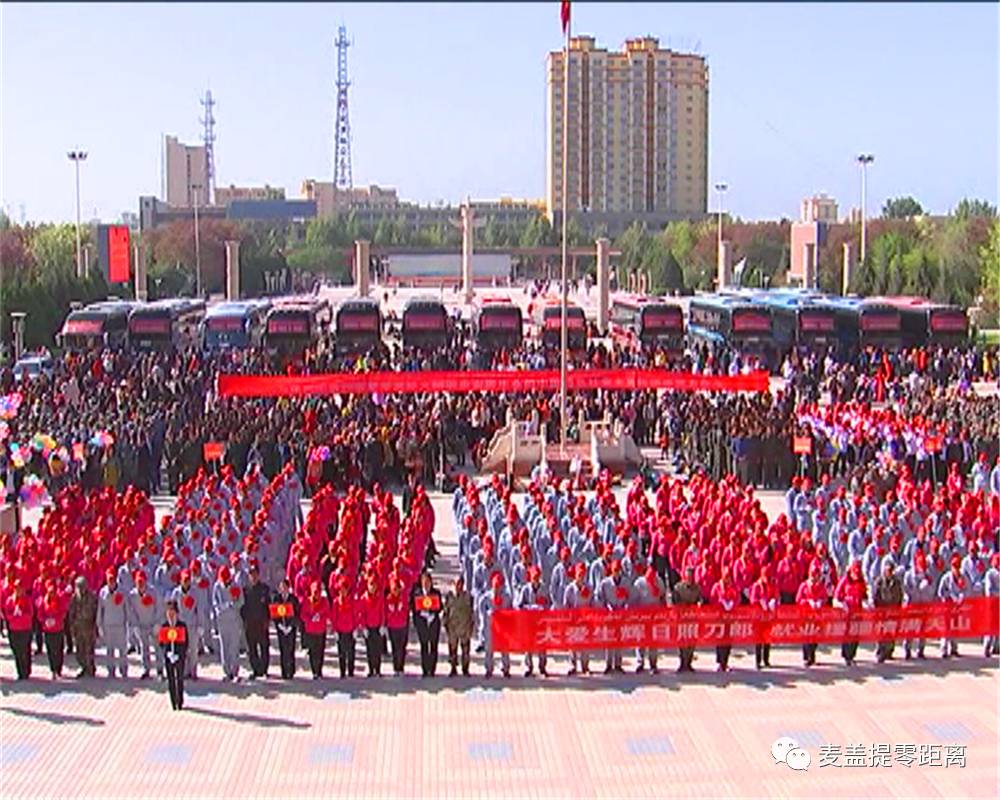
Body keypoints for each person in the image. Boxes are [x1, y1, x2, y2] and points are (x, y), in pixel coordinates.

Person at [515, 567, 550, 677]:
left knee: (542, 646)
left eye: (537, 578)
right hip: (529, 622)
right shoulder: (525, 589)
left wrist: (543, 608)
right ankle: (528, 667)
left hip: (541, 622)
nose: (535, 580)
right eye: (533, 578)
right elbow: (519, 605)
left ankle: (542, 667)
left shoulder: (544, 589)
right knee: (528, 646)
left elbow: (549, 603)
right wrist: (530, 608)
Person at [213, 565, 244, 681]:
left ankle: (235, 671)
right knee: (224, 646)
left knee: (234, 647)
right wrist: (224, 607)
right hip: (222, 621)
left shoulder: (236, 586)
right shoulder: (217, 587)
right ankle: (227, 672)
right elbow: (215, 603)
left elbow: (241, 601)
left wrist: (234, 604)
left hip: (234, 620)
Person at [127, 572, 160, 680]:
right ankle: (146, 669)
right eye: (138, 582)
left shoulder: (153, 592)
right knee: (144, 648)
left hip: (152, 624)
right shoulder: (132, 595)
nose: (140, 584)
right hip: (141, 625)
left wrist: (157, 623)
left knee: (157, 648)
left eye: (142, 581)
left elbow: (159, 607)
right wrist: (135, 625)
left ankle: (160, 669)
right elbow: (130, 611)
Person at [834, 561, 867, 666]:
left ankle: (852, 655)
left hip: (857, 612)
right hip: (847, 613)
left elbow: (864, 595)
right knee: (847, 634)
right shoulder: (844, 581)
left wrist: (866, 603)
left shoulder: (861, 581)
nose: (856, 576)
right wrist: (842, 604)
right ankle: (846, 655)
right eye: (854, 573)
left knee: (855, 635)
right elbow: (837, 596)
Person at [97, 568, 129, 679]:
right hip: (108, 624)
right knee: (109, 649)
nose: (111, 582)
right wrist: (99, 625)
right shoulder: (103, 592)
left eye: (113, 579)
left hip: (120, 624)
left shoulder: (123, 591)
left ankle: (123, 669)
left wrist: (129, 624)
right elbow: (100, 609)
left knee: (122, 649)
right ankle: (111, 670)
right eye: (109, 580)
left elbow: (127, 609)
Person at [479, 572, 511, 678]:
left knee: (504, 649)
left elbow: (510, 610)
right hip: (491, 626)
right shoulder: (487, 597)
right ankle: (489, 669)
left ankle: (505, 668)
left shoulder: (506, 597)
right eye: (495, 586)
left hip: (503, 627)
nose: (497, 589)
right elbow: (481, 609)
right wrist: (486, 616)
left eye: (498, 586)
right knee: (489, 649)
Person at [871, 556, 903, 663]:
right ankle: (880, 652)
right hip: (882, 610)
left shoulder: (897, 582)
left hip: (893, 610)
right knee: (881, 633)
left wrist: (898, 608)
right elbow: (875, 595)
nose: (889, 572)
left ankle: (889, 652)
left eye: (891, 570)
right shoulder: (879, 581)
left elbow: (899, 595)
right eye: (887, 570)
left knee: (891, 632)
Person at [562, 563, 592, 675]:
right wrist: (571, 615)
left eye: (583, 575)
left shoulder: (589, 588)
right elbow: (566, 605)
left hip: (585, 620)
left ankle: (585, 666)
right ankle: (572, 666)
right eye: (579, 575)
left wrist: (589, 613)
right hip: (573, 620)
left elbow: (592, 603)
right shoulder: (569, 588)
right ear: (575, 575)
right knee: (573, 645)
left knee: (585, 645)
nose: (581, 577)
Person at [241, 566, 271, 679]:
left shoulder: (264, 589)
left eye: (255, 574)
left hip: (262, 623)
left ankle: (264, 669)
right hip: (250, 624)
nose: (253, 577)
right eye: (251, 574)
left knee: (264, 647)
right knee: (252, 648)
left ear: (258, 575)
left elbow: (269, 606)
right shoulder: (245, 590)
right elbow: (243, 607)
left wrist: (268, 620)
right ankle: (256, 669)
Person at [411, 570, 442, 678]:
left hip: (433, 623)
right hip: (422, 623)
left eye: (428, 581)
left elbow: (440, 607)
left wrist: (433, 614)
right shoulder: (417, 593)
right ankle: (425, 669)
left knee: (433, 646)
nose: (426, 584)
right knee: (424, 646)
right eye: (424, 581)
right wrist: (422, 614)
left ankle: (432, 669)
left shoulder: (436, 593)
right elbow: (413, 608)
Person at [796, 562, 827, 666]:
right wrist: (808, 602)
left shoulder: (821, 586)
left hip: (817, 616)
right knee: (806, 637)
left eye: (817, 576)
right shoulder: (804, 586)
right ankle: (807, 657)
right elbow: (798, 599)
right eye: (814, 576)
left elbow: (825, 597)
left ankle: (812, 656)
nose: (815, 578)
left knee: (815, 637)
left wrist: (820, 602)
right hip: (806, 615)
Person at [36, 580, 69, 679]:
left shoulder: (60, 600)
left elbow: (63, 612)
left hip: (58, 628)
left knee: (58, 649)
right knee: (50, 650)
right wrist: (45, 620)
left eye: (53, 592)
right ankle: (53, 669)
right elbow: (40, 614)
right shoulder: (43, 601)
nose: (52, 594)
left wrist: (56, 620)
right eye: (50, 592)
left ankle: (58, 669)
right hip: (48, 630)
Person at [672, 565, 702, 673]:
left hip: (693, 619)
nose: (690, 578)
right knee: (682, 642)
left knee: (691, 642)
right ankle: (682, 663)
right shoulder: (678, 587)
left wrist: (699, 604)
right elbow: (674, 602)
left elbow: (700, 599)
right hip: (682, 618)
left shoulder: (697, 588)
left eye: (691, 576)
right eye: (688, 575)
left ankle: (689, 663)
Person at [159, 600, 188, 711]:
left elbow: (186, 643)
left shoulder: (182, 626)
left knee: (179, 679)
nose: (170, 614)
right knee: (171, 679)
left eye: (172, 611)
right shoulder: (164, 626)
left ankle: (180, 701)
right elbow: (161, 643)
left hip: (179, 657)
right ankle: (173, 702)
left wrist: (180, 654)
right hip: (168, 657)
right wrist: (167, 654)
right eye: (168, 611)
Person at [442, 576, 474, 677]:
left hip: (464, 626)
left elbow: (471, 612)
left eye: (460, 584)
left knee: (465, 649)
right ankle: (453, 668)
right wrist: (445, 624)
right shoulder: (450, 596)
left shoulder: (468, 596)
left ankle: (465, 669)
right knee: (452, 649)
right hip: (453, 626)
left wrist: (471, 626)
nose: (458, 586)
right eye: (456, 584)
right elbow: (446, 611)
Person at [67, 575, 98, 678]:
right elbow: (71, 613)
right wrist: (71, 627)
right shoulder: (74, 598)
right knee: (80, 649)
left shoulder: (92, 597)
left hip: (89, 626)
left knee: (89, 649)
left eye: (82, 586)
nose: (80, 589)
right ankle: (83, 667)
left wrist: (96, 627)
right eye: (78, 586)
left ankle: (91, 668)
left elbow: (96, 612)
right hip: (78, 627)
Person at [710, 566, 739, 672]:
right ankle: (719, 662)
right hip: (719, 617)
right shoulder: (717, 587)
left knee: (728, 641)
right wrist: (721, 603)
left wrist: (732, 604)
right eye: (726, 577)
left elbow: (737, 598)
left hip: (729, 618)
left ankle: (725, 662)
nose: (728, 579)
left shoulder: (733, 587)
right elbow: (712, 599)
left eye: (729, 577)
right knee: (719, 640)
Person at [749, 565, 778, 670]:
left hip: (768, 616)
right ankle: (758, 661)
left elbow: (776, 596)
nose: (767, 579)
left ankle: (766, 659)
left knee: (767, 638)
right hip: (758, 616)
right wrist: (760, 602)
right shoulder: (757, 586)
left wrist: (773, 601)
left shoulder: (772, 584)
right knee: (758, 639)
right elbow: (752, 599)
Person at [4, 579, 34, 680]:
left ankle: (26, 671)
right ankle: (20, 671)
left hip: (25, 628)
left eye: (20, 588)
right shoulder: (10, 600)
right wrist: (14, 616)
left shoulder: (27, 600)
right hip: (14, 629)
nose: (19, 591)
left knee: (25, 650)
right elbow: (7, 615)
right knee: (17, 650)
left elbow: (30, 614)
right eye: (17, 588)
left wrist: (21, 615)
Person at [937, 555, 967, 658]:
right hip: (947, 605)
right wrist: (948, 597)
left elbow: (964, 589)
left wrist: (961, 597)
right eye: (954, 566)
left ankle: (954, 649)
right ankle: (943, 650)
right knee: (945, 629)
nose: (956, 569)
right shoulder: (946, 577)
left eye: (958, 566)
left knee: (955, 628)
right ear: (951, 567)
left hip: (957, 607)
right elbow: (940, 592)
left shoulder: (962, 577)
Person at [330, 576, 360, 679]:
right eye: (341, 589)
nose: (342, 592)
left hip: (350, 630)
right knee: (341, 652)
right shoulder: (335, 602)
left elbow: (356, 615)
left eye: (344, 589)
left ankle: (351, 671)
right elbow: (333, 617)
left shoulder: (352, 601)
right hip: (340, 630)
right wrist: (334, 630)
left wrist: (356, 628)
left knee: (351, 652)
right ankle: (342, 671)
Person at [299, 581, 330, 679]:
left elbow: (328, 613)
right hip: (311, 630)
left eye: (318, 592)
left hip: (321, 629)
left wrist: (320, 616)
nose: (316, 594)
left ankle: (319, 670)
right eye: (315, 592)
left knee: (320, 650)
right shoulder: (307, 601)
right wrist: (310, 618)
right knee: (312, 651)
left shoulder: (324, 601)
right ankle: (314, 671)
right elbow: (303, 615)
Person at [270, 579, 300, 679]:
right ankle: (284, 672)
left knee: (290, 649)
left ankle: (291, 671)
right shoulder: (276, 598)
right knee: (283, 649)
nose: (283, 589)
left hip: (291, 628)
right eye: (281, 587)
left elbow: (297, 613)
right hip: (281, 628)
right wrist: (279, 626)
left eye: (285, 587)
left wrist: (291, 626)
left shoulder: (293, 599)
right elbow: (274, 614)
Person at [358, 572, 385, 678]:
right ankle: (371, 669)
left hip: (377, 627)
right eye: (370, 585)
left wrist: (383, 625)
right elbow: (362, 614)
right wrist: (363, 626)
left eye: (374, 585)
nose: (372, 587)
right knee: (370, 649)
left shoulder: (380, 598)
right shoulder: (363, 598)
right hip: (369, 627)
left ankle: (377, 669)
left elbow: (382, 612)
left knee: (377, 649)